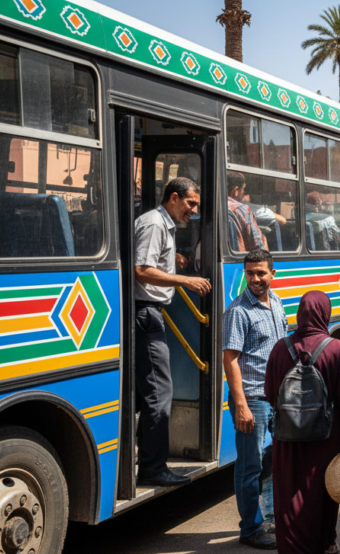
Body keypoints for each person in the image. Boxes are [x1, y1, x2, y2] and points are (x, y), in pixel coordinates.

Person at [265, 292, 340, 554]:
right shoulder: (337, 348)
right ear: (324, 313)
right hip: (325, 439)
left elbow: (270, 393)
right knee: (323, 490)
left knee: (288, 492)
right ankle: (325, 542)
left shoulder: (279, 348)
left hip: (287, 439)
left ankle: (291, 546)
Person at [134, 177, 211, 487]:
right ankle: (153, 468)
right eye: (191, 204)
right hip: (146, 313)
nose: (193, 210)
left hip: (152, 312)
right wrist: (184, 280)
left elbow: (150, 263)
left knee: (152, 392)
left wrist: (172, 263)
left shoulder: (161, 225)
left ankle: (148, 459)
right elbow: (141, 270)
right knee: (159, 394)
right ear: (174, 197)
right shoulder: (154, 223)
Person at [223, 250, 287, 549]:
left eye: (261, 273)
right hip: (253, 399)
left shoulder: (276, 303)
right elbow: (231, 360)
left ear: (273, 273)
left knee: (273, 460)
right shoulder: (239, 311)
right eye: (250, 273)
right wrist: (241, 405)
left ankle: (272, 516)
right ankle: (250, 528)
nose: (256, 279)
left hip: (275, 398)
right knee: (249, 467)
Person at [227, 171, 267, 252]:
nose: (244, 193)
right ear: (236, 190)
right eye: (243, 189)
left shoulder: (200, 205)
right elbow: (257, 247)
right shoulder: (242, 209)